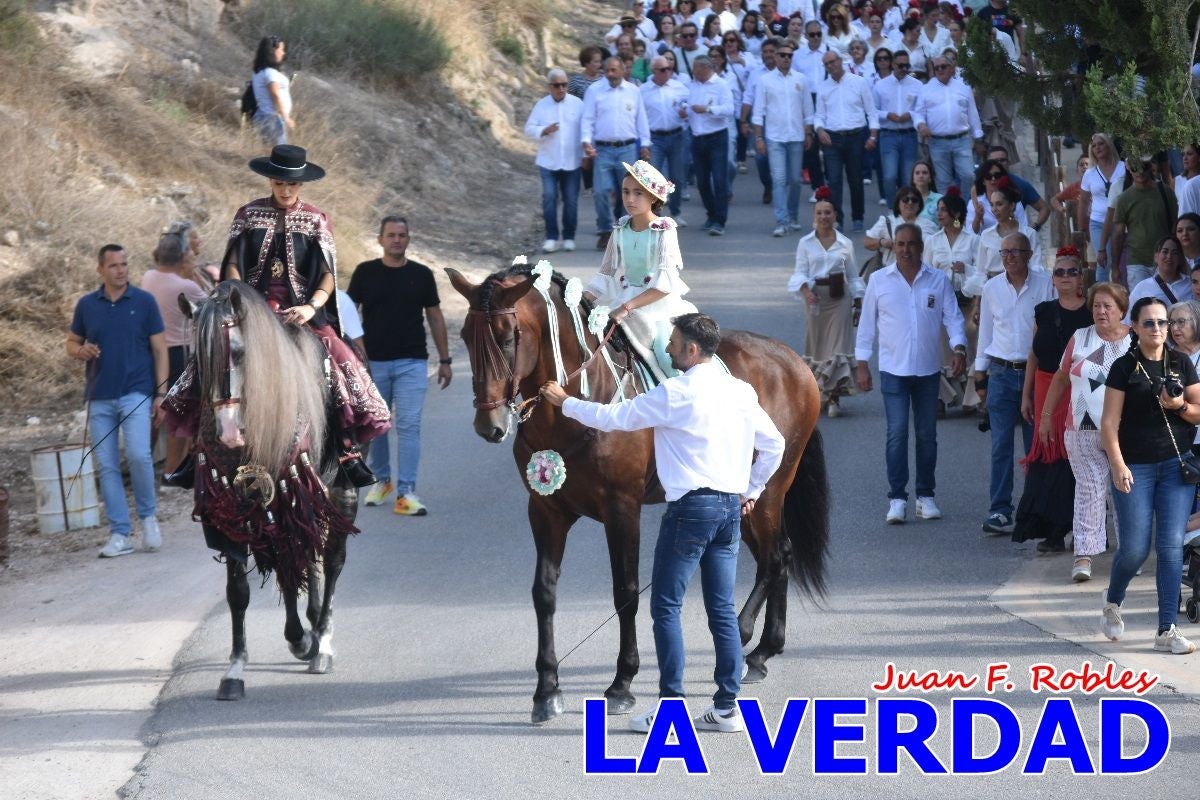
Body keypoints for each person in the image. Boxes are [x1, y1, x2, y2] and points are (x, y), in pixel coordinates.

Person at [538, 312, 783, 734]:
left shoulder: (674, 392)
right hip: (728, 509)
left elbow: (614, 419)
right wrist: (753, 491)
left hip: (690, 510)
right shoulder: (740, 391)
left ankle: (672, 709)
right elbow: (774, 444)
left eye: (672, 343)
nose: (666, 349)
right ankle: (727, 707)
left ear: (691, 349)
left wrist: (564, 402)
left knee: (666, 607)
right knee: (722, 610)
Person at [165, 145, 390, 487]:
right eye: (280, 183)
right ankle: (196, 450)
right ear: (270, 179)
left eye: (293, 184)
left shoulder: (316, 219)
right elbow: (233, 265)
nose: (286, 190)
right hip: (250, 309)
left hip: (301, 313)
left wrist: (311, 306)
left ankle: (346, 451)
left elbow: (328, 274)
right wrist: (242, 302)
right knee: (212, 359)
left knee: (341, 362)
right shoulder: (248, 214)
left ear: (301, 184)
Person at [1101, 296, 1200, 655]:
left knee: (1172, 547)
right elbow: (1108, 424)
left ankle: (1166, 629)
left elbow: (1199, 411)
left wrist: (1179, 406)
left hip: (1176, 466)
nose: (1160, 329)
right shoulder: (1124, 367)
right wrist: (1118, 464)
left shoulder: (1182, 362)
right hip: (1136, 466)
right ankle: (1113, 599)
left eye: (1164, 323)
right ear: (1136, 328)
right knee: (1135, 549)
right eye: (1150, 323)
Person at [855, 224, 966, 523]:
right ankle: (897, 498)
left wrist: (959, 349)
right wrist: (861, 363)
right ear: (895, 247)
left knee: (927, 435)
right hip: (893, 370)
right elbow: (866, 326)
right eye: (901, 244)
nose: (906, 249)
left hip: (928, 370)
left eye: (911, 244)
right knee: (897, 434)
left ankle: (925, 496)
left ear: (921, 246)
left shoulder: (937, 280)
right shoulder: (879, 281)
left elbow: (954, 318)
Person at [67, 244, 167, 557]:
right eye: (114, 265)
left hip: (136, 392)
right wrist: (79, 351)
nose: (121, 270)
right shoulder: (87, 305)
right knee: (107, 466)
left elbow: (161, 350)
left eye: (124, 264)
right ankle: (120, 533)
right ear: (100, 270)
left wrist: (161, 394)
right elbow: (72, 342)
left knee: (139, 455)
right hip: (99, 396)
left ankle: (149, 519)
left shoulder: (144, 301)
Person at [346, 216, 451, 515]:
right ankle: (383, 481)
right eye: (390, 235)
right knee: (377, 427)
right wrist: (352, 354)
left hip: (412, 362)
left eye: (402, 235)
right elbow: (347, 313)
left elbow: (435, 316)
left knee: (408, 426)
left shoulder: (422, 274)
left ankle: (407, 492)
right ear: (380, 239)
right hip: (372, 364)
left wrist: (444, 360)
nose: (396, 240)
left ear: (408, 239)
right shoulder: (365, 273)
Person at [1039, 282, 1130, 581]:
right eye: (1096, 306)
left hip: (1126, 431)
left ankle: (1129, 554)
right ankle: (1084, 556)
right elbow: (1061, 377)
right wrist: (1047, 417)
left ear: (1121, 310)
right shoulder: (1080, 338)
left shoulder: (1136, 340)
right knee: (1090, 489)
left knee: (1124, 491)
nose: (1101, 311)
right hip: (1082, 429)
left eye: (1108, 306)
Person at [585, 160, 698, 383]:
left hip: (656, 307)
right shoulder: (620, 228)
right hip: (623, 300)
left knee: (667, 357)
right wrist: (578, 302)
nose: (630, 199)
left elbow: (665, 286)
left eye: (638, 193)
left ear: (653, 198)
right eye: (626, 192)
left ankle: (677, 400)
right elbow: (605, 273)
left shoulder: (664, 231)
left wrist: (627, 307)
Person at [975, 232, 1056, 534]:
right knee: (1000, 446)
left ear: (1029, 254)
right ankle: (999, 510)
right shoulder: (991, 288)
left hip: (1035, 374)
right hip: (1001, 373)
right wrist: (979, 373)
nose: (1009, 257)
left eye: (1015, 251)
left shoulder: (1045, 284)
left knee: (1036, 445)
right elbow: (985, 333)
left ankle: (1037, 509)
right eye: (1004, 252)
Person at [1012, 248, 1093, 551]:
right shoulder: (1043, 311)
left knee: (1078, 460)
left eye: (1072, 271)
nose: (1066, 277)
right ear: (1053, 279)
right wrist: (1026, 396)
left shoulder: (1091, 313)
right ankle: (1053, 532)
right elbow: (1033, 355)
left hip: (1078, 392)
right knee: (1048, 459)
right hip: (1045, 389)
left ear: (1081, 276)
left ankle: (1084, 529)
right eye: (1059, 272)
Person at [788, 186, 863, 416]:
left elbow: (853, 275)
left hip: (840, 299)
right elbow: (799, 272)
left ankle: (833, 399)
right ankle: (820, 393)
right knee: (818, 348)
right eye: (820, 213)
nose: (824, 217)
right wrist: (806, 291)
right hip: (816, 300)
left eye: (828, 213)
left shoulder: (845, 244)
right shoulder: (806, 243)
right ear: (814, 216)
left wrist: (858, 300)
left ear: (835, 215)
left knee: (838, 349)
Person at [142, 231, 209, 478]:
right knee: (177, 415)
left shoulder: (148, 277)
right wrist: (193, 273)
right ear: (182, 257)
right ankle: (172, 470)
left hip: (152, 353)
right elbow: (213, 306)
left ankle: (145, 464)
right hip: (178, 355)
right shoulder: (187, 285)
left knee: (154, 412)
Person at [582, 57, 653, 250]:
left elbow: (641, 120)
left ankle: (624, 233)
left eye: (614, 70)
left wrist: (645, 144)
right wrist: (586, 141)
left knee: (628, 195)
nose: (611, 74)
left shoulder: (633, 91)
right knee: (600, 191)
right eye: (608, 71)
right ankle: (605, 230)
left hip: (627, 149)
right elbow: (587, 118)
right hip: (603, 149)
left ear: (623, 70)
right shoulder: (594, 91)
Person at [751, 40, 815, 237]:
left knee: (795, 180)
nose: (786, 58)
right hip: (775, 137)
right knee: (779, 179)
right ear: (776, 57)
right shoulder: (765, 80)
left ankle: (793, 215)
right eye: (783, 55)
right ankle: (782, 220)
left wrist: (809, 132)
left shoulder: (801, 79)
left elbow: (808, 109)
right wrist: (759, 138)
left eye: (789, 55)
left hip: (796, 136)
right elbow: (758, 111)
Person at [814, 48, 879, 231]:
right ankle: (837, 220)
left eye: (833, 62)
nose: (831, 66)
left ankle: (858, 217)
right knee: (833, 181)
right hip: (832, 138)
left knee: (855, 179)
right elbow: (819, 116)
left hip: (855, 136)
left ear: (840, 61)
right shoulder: (823, 87)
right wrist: (819, 131)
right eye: (827, 64)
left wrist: (873, 135)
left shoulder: (859, 82)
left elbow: (871, 112)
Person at [927, 188, 980, 409]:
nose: (939, 214)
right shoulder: (932, 241)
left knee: (971, 346)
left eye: (944, 210)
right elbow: (926, 273)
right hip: (941, 304)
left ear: (956, 214)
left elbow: (981, 272)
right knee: (941, 349)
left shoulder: (973, 240)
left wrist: (965, 268)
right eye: (938, 210)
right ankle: (942, 397)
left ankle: (974, 398)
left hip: (967, 302)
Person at [524, 69, 584, 254]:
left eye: (564, 84)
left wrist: (587, 154)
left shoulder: (577, 104)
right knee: (549, 198)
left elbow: (587, 128)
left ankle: (568, 237)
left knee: (571, 201)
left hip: (572, 161)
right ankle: (551, 237)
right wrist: (543, 130)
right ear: (550, 87)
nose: (561, 88)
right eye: (557, 85)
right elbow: (528, 129)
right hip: (548, 161)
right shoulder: (541, 106)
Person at [914, 53, 983, 192]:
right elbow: (918, 113)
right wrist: (921, 125)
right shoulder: (925, 89)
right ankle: (946, 211)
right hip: (937, 141)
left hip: (962, 140)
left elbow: (973, 115)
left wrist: (979, 139)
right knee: (943, 180)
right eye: (936, 67)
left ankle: (963, 208)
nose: (940, 70)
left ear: (952, 69)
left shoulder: (964, 87)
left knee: (968, 175)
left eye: (943, 66)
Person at [685, 56, 735, 235]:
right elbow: (688, 105)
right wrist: (684, 110)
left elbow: (730, 109)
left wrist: (708, 109)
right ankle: (711, 213)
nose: (693, 72)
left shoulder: (721, 85)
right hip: (697, 138)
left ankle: (720, 220)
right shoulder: (692, 85)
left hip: (717, 138)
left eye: (696, 69)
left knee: (720, 180)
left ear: (706, 68)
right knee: (702, 181)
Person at [1113, 155, 1179, 290]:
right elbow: (1118, 234)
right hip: (1136, 261)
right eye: (1135, 167)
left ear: (1151, 167)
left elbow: (1175, 226)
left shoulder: (1166, 192)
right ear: (1128, 168)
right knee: (1141, 303)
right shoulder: (1124, 198)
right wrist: (1114, 267)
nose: (1140, 171)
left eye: (1145, 166)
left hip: (1165, 259)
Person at [642, 56, 690, 224]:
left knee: (676, 177)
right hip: (655, 138)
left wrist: (686, 113)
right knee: (654, 178)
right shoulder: (644, 90)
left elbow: (688, 106)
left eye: (669, 68)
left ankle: (676, 212)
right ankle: (655, 214)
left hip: (676, 136)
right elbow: (640, 117)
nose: (667, 72)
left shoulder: (680, 87)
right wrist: (643, 142)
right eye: (662, 69)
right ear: (654, 71)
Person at [872, 49, 921, 210]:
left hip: (909, 135)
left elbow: (922, 110)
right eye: (900, 65)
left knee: (908, 178)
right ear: (893, 64)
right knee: (889, 176)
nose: (904, 69)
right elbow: (873, 111)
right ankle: (892, 210)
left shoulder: (917, 85)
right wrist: (888, 115)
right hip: (888, 135)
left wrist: (911, 115)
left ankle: (907, 210)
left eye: (907, 66)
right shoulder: (880, 85)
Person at [1079, 133, 1124, 283]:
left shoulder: (1123, 168)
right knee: (1103, 262)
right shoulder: (1089, 174)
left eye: (1101, 144)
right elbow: (1084, 202)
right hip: (1097, 222)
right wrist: (1082, 228)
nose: (1097, 148)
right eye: (1094, 146)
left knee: (1122, 263)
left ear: (1109, 145)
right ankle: (1100, 297)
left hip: (1122, 222)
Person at [1127, 236, 1191, 318]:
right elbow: (1129, 319)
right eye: (1165, 252)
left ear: (1180, 258)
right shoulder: (1142, 288)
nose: (1169, 256)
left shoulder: (1191, 285)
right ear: (1156, 256)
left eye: (1174, 253)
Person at [864, 186, 925, 267]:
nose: (910, 203)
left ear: (919, 204)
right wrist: (881, 242)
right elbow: (867, 242)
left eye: (914, 200)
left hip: (921, 271)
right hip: (890, 273)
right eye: (905, 200)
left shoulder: (930, 225)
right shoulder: (886, 222)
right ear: (898, 203)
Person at [250, 36, 294, 147]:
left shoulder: (260, 72)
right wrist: (286, 117)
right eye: (281, 50)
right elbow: (275, 94)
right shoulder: (270, 73)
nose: (283, 53)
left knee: (270, 155)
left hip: (264, 117)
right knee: (279, 158)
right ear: (273, 50)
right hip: (272, 119)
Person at [910, 159, 943, 237]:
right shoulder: (905, 200)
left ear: (930, 178)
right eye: (917, 173)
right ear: (913, 179)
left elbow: (957, 225)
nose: (921, 175)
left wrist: (957, 220)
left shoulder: (940, 199)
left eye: (924, 173)